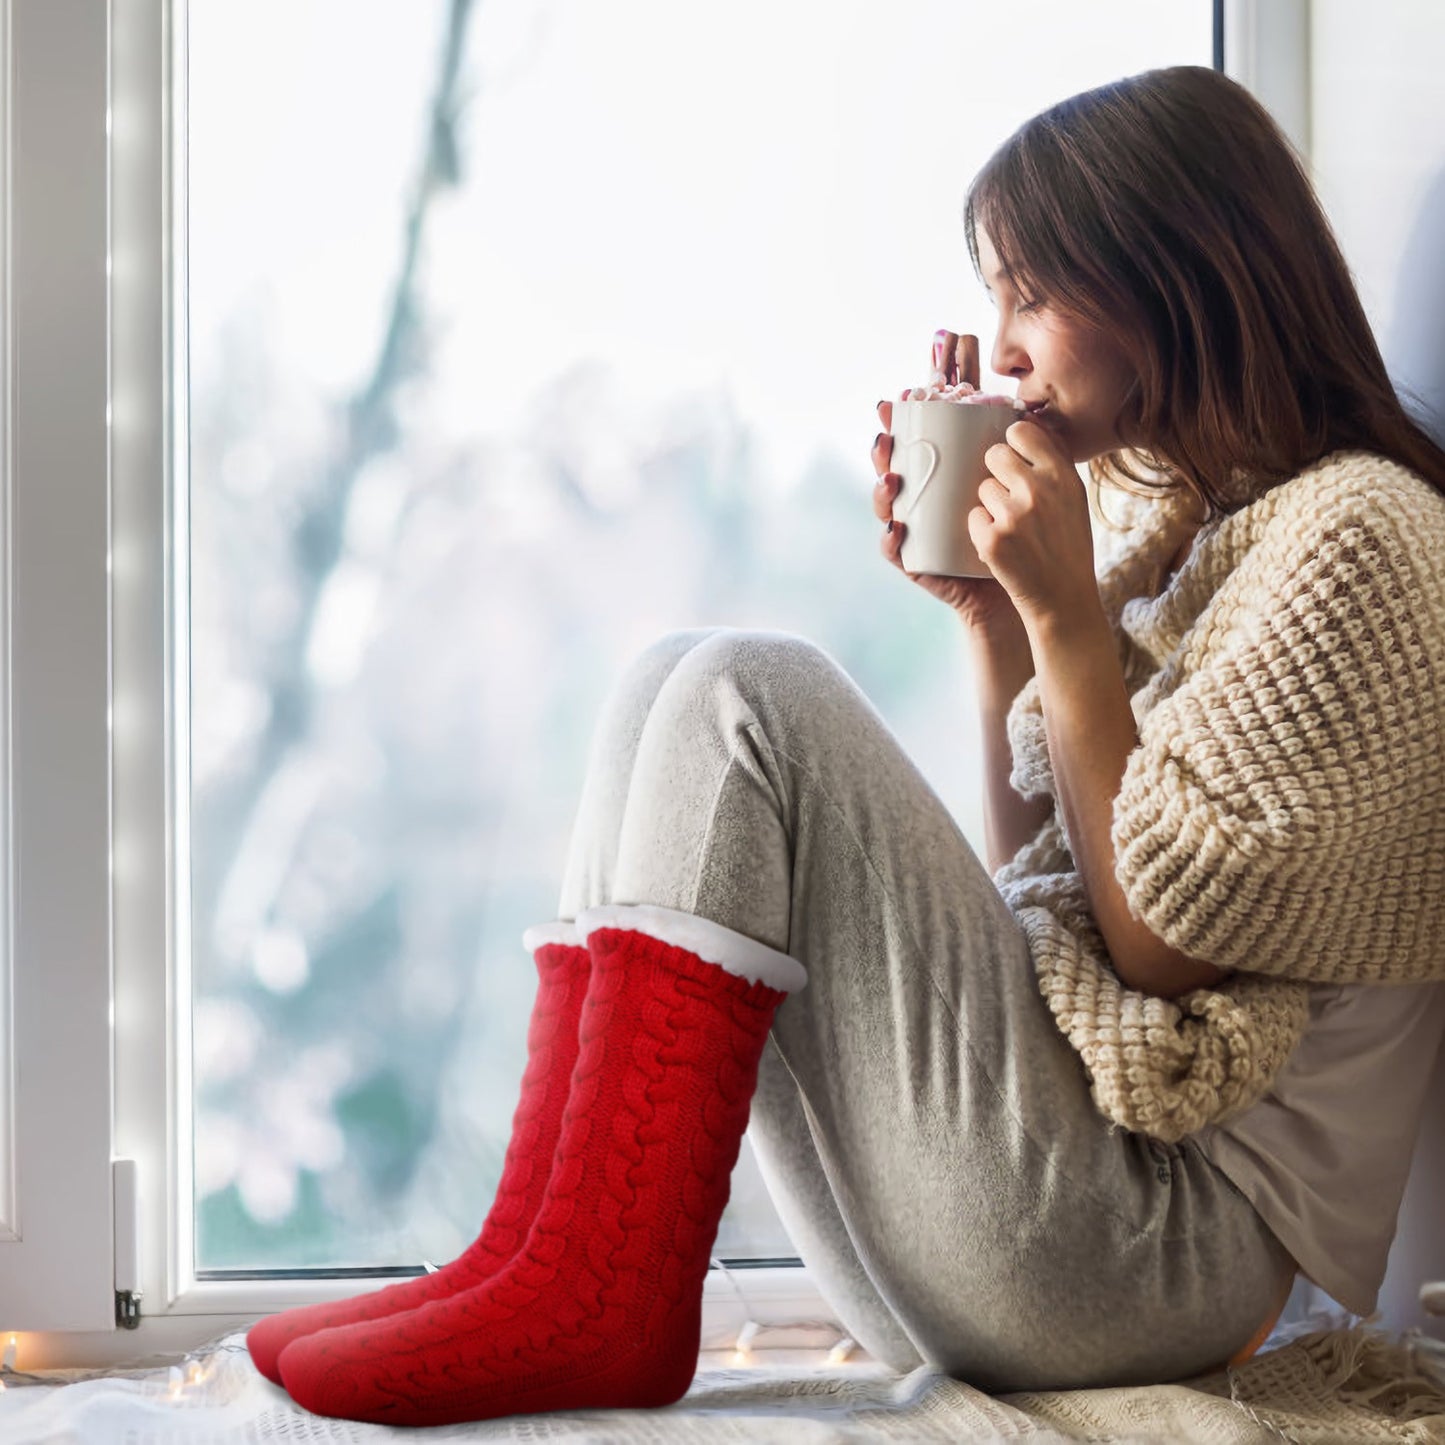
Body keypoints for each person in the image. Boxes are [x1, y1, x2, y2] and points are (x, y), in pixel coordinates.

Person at [246, 65, 1445, 1426]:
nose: (1001, 350)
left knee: (755, 690)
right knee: (667, 678)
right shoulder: (1200, 554)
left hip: (1162, 1256)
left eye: (1030, 292)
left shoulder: (1361, 535)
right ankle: (543, 1250)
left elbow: (1164, 941)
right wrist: (1000, 620)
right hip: (1063, 1252)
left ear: (1174, 275)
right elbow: (1057, 885)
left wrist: (1062, 614)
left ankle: (590, 1292)